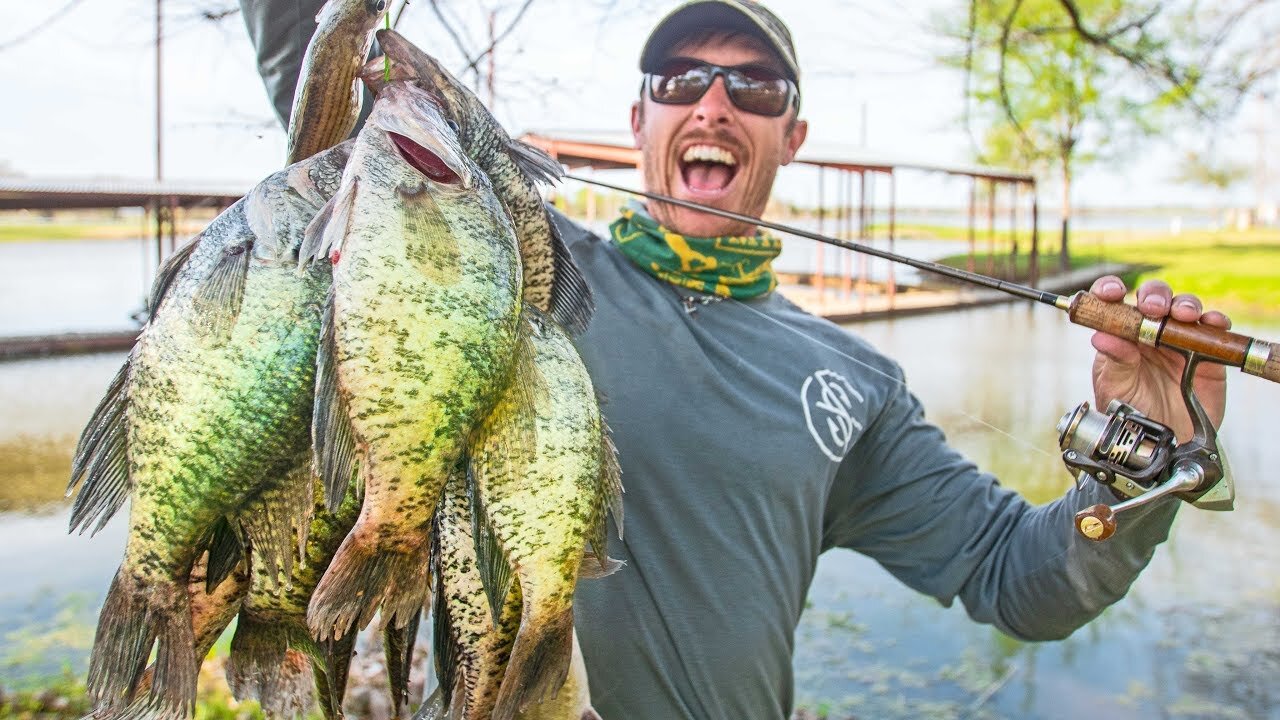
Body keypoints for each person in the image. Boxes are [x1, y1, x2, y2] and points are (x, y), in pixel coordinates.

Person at [239, 1, 1231, 718]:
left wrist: (1147, 455)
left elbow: (1020, 578)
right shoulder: (512, 260)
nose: (712, 103)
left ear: (788, 134)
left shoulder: (854, 383)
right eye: (680, 81)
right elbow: (327, 83)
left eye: (751, 86)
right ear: (640, 124)